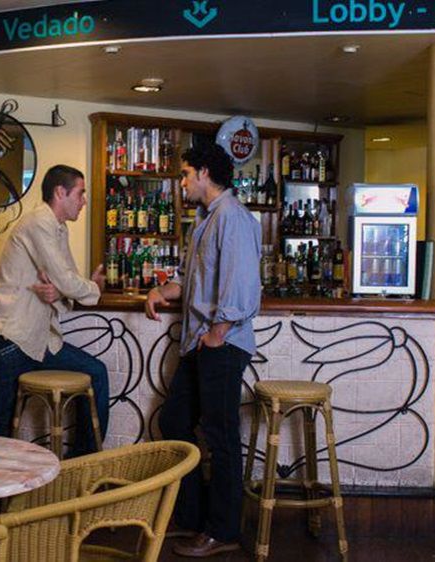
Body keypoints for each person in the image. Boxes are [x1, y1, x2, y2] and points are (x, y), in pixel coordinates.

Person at [145, 144, 261, 557]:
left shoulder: (233, 218)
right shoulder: (204, 220)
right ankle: (195, 519)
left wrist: (217, 333)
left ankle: (223, 530)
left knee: (221, 436)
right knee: (175, 421)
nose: (181, 183)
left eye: (185, 174)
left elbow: (242, 287)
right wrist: (161, 291)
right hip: (200, 343)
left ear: (205, 174)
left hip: (221, 345)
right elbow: (188, 278)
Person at [0, 164, 109, 457]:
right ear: (60, 193)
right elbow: (67, 281)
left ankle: (81, 465)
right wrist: (93, 289)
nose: (84, 200)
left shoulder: (58, 229)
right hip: (7, 340)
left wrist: (65, 292)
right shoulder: (40, 222)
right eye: (81, 192)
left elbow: (64, 288)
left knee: (96, 373)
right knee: (0, 428)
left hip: (36, 341)